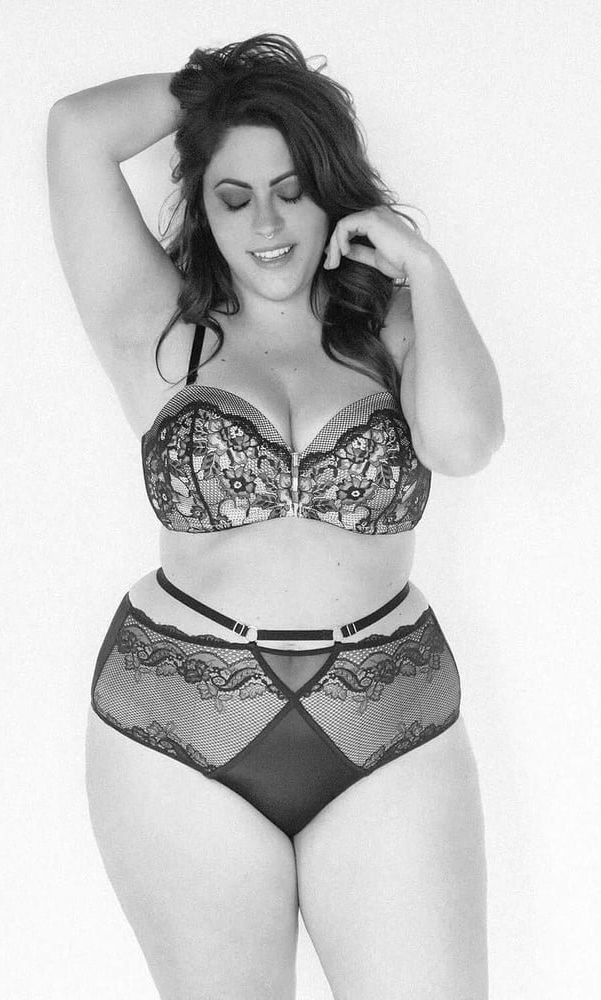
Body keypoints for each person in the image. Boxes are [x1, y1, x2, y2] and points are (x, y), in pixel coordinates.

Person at [47, 33, 503, 1000]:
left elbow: (465, 445)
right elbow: (78, 129)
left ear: (330, 192)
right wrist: (228, 91)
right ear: (203, 209)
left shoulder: (389, 326)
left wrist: (423, 267)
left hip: (386, 712)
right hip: (180, 721)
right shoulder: (155, 327)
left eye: (291, 189)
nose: (266, 221)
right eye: (234, 195)